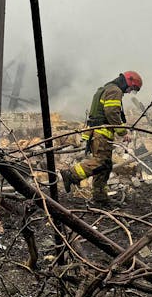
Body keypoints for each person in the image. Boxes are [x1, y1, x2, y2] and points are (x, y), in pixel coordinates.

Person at [59, 71, 143, 204]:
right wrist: (122, 132)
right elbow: (111, 113)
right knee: (101, 162)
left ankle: (100, 197)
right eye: (132, 88)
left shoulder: (107, 88)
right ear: (128, 81)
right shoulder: (115, 91)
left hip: (97, 132)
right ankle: (71, 174)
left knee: (105, 165)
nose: (129, 92)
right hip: (101, 133)